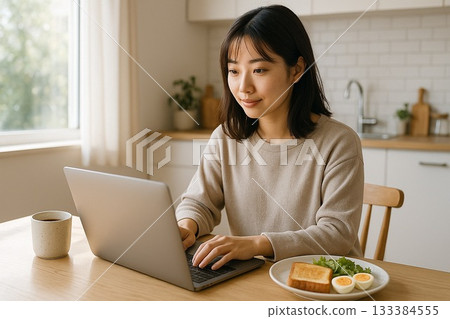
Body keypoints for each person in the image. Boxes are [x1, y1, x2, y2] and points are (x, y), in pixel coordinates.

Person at [176, 5, 364, 270]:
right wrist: (187, 226)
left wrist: (256, 245)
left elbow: (337, 233)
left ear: (296, 70)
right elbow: (198, 202)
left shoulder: (339, 142)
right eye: (234, 71)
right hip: (255, 279)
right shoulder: (226, 137)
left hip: (324, 282)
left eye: (259, 70)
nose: (243, 87)